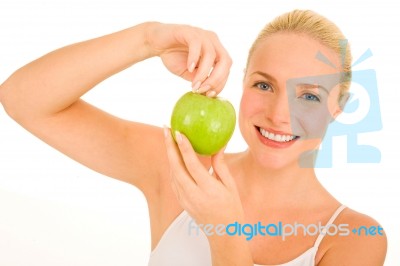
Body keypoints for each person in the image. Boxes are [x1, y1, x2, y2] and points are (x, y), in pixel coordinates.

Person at [0, 9, 387, 266]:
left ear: (339, 107)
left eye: (308, 96)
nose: (280, 115)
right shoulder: (179, 167)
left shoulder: (354, 239)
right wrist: (148, 40)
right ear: (242, 84)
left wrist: (226, 233)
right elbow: (23, 99)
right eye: (264, 86)